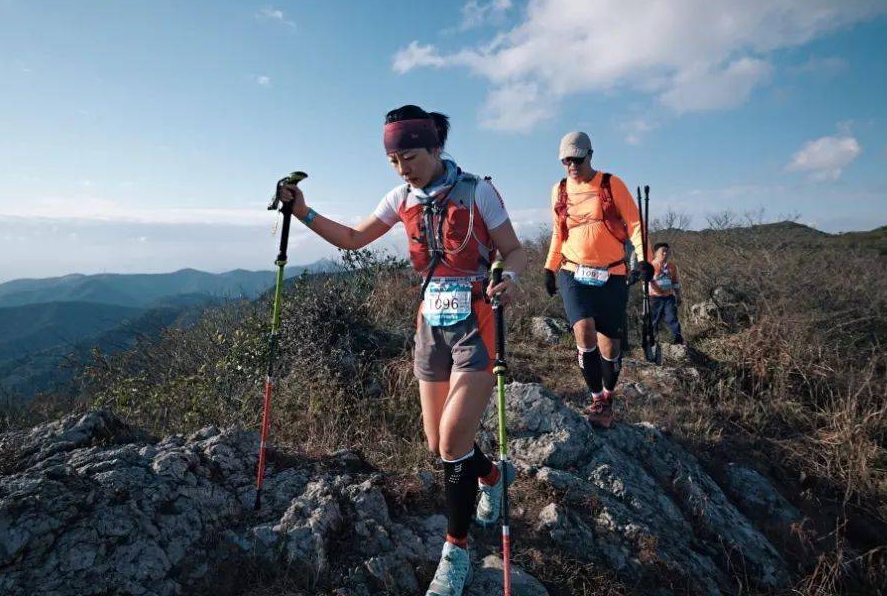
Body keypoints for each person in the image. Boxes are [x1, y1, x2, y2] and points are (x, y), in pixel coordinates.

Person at [276, 105, 528, 596]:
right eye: (394, 160)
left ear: (434, 148)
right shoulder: (401, 197)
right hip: (429, 325)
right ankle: (493, 476)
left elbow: (513, 249)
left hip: (476, 322)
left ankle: (454, 555)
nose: (402, 168)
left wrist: (511, 278)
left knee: (454, 442)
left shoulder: (479, 191)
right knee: (439, 446)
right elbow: (352, 240)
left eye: (409, 156)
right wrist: (301, 210)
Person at [542, 131, 647, 428]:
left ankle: (608, 392)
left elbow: (635, 224)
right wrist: (550, 268)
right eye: (566, 160)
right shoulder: (559, 190)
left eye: (577, 158)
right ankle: (597, 398)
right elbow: (558, 232)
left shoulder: (611, 184)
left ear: (590, 155)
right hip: (573, 271)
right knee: (583, 331)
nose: (571, 165)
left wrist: (644, 260)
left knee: (610, 348)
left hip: (612, 273)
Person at [649, 242, 685, 345]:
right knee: (654, 321)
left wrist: (678, 295)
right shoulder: (652, 265)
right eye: (663, 251)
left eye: (667, 251)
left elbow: (675, 281)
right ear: (656, 253)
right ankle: (651, 342)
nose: (665, 253)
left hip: (669, 297)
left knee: (672, 318)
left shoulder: (671, 266)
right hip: (655, 298)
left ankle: (678, 341)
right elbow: (648, 281)